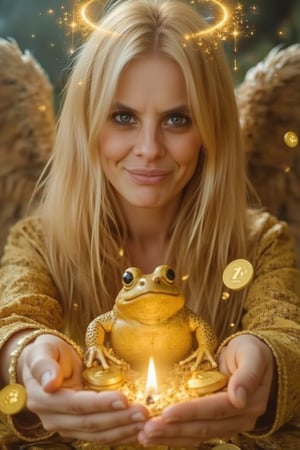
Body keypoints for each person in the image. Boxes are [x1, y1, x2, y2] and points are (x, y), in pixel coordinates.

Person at [0, 0, 299, 448]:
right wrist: (26, 362)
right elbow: (15, 315)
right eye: (123, 117)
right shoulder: (38, 239)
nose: (149, 148)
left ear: (210, 129)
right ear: (87, 123)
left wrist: (268, 367)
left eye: (178, 119)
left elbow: (284, 328)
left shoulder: (261, 241)